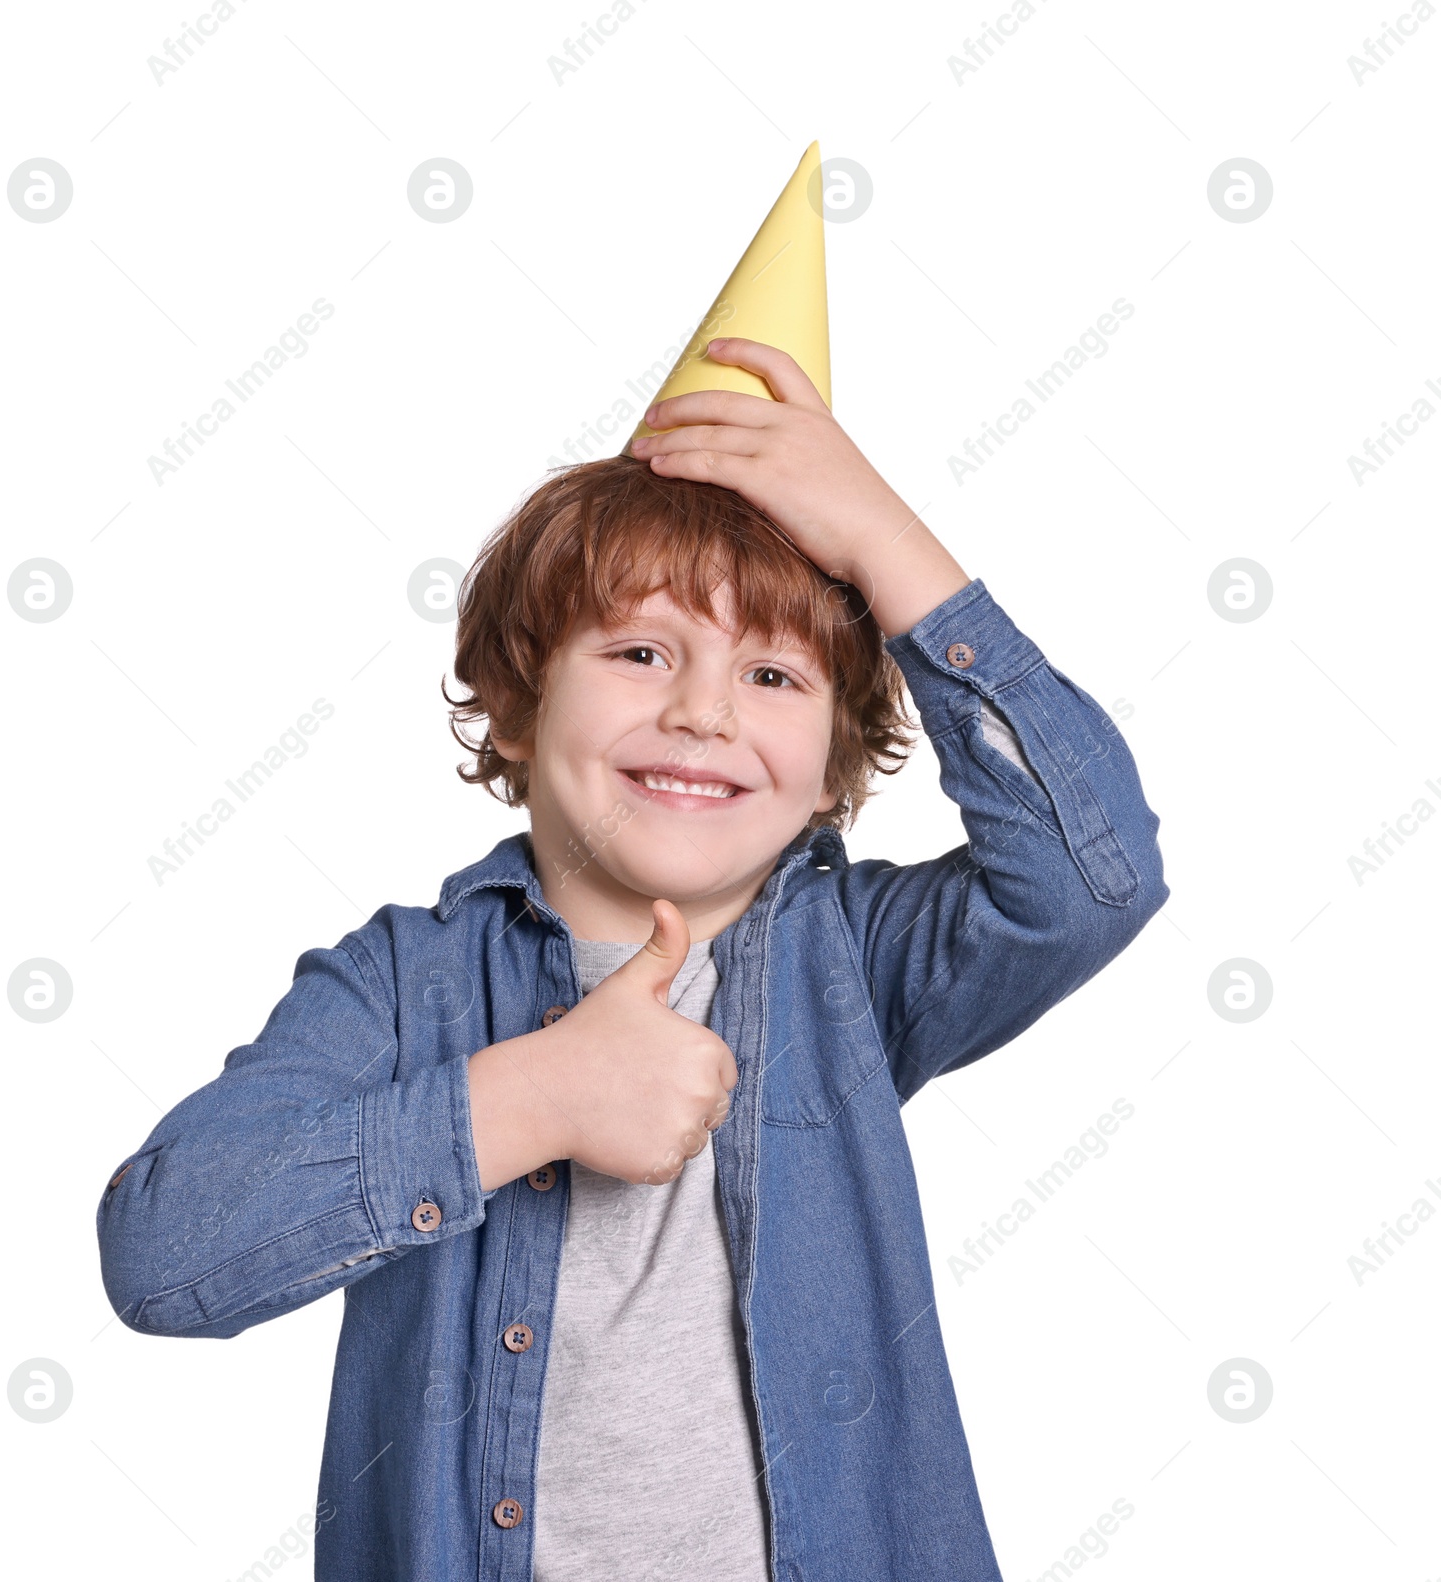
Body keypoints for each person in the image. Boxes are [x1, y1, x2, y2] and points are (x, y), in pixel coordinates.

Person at [96, 331, 1168, 1580]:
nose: (703, 711)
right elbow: (164, 1257)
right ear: (515, 699)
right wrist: (531, 1096)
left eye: (771, 673)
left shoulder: (854, 965)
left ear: (831, 764)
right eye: (640, 651)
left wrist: (886, 544)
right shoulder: (399, 988)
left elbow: (1096, 878)